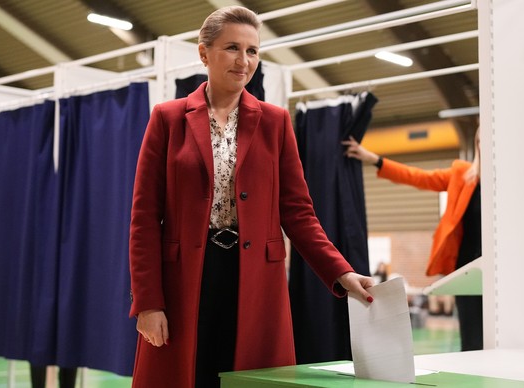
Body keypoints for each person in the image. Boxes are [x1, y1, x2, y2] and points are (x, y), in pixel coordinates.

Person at [128, 6, 375, 388]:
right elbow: (144, 218)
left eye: (253, 51)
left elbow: (298, 213)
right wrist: (147, 302)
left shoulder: (276, 122)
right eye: (232, 48)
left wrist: (341, 271)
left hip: (256, 282)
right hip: (185, 282)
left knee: (250, 379)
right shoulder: (167, 118)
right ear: (204, 53)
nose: (244, 61)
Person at [342, 128, 482, 351]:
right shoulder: (462, 174)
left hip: (500, 267)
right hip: (467, 268)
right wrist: (375, 160)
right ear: (477, 144)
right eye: (481, 140)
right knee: (473, 337)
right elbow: (418, 177)